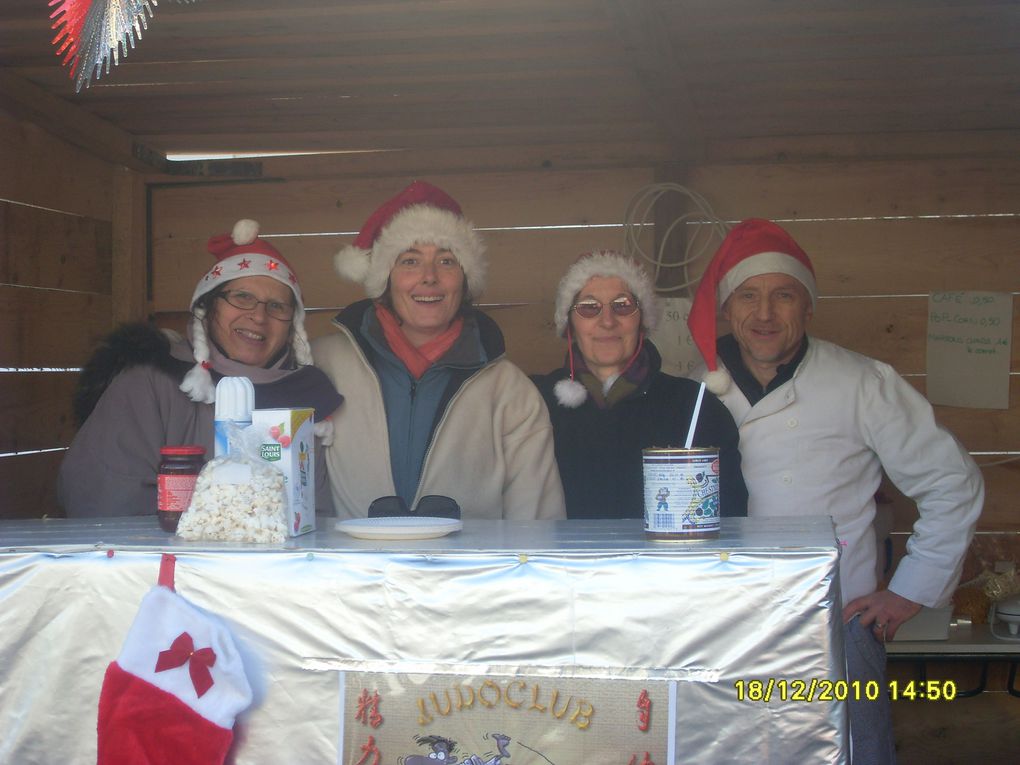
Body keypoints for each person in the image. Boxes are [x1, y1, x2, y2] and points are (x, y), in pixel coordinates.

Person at [686, 218, 984, 763]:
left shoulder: (862, 383)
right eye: (748, 296)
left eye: (784, 296)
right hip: (719, 626)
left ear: (808, 306)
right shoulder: (689, 390)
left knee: (854, 753)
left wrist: (910, 589)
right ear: (728, 309)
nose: (765, 313)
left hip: (835, 623)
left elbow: (952, 482)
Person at [312, 181, 565, 520]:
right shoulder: (322, 365)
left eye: (446, 261)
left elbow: (536, 522)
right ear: (385, 278)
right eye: (410, 261)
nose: (429, 277)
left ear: (465, 279)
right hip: (350, 571)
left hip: (470, 572)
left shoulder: (509, 390)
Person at [58, 219, 344, 517]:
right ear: (208, 308)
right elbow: (106, 501)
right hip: (165, 562)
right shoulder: (151, 383)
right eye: (242, 297)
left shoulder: (305, 401)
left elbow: (316, 513)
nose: (258, 316)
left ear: (291, 326)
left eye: (277, 306)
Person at [532, 250, 747, 519]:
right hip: (561, 560)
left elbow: (729, 516)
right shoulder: (535, 404)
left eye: (622, 305)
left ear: (642, 321)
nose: (607, 321)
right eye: (589, 307)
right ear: (570, 325)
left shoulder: (694, 406)